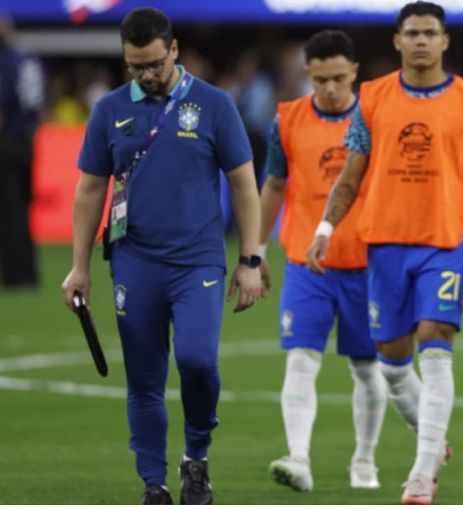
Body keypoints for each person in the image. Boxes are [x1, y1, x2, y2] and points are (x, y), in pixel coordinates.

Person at [60, 7, 262, 505]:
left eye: (154, 63)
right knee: (144, 377)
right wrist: (80, 266)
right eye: (135, 67)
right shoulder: (109, 110)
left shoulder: (214, 105)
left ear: (174, 50)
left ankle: (196, 457)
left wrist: (251, 259)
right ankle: (154, 483)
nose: (146, 75)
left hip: (198, 261)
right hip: (135, 260)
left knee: (197, 362)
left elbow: (243, 184)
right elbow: (89, 191)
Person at [307, 3, 463, 504]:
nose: (421, 41)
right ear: (397, 41)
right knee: (394, 363)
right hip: (385, 245)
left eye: (430, 33)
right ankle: (433, 440)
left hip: (443, 246)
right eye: (412, 33)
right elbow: (351, 175)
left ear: (445, 41)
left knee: (435, 342)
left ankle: (421, 476)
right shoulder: (372, 99)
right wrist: (327, 226)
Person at [258, 29, 388, 492]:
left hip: (365, 262)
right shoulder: (287, 120)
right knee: (300, 360)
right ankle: (299, 458)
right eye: (319, 80)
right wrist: (255, 251)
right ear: (307, 75)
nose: (329, 89)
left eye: (337, 78)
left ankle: (364, 460)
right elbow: (274, 184)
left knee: (367, 368)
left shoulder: (376, 116)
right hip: (305, 264)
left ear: (354, 71)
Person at [0, 15, 43, 288]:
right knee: (21, 208)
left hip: (6, 142)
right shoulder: (27, 60)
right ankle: (26, 272)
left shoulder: (5, 63)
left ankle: (15, 275)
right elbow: (35, 104)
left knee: (8, 211)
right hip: (25, 141)